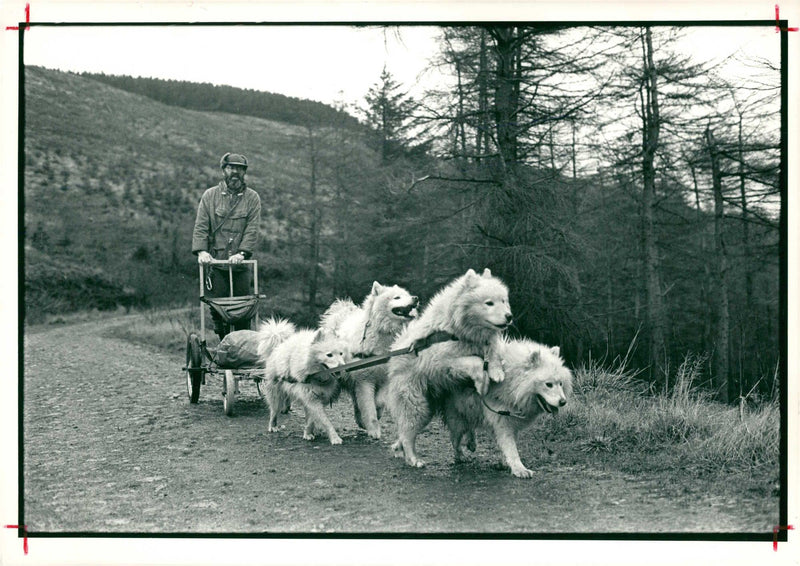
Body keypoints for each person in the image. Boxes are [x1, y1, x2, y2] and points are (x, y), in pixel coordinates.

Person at [192, 152, 261, 338]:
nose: (235, 172)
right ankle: (224, 345)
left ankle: (242, 350)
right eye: (231, 168)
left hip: (240, 264)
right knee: (218, 307)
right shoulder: (210, 196)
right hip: (215, 262)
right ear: (223, 170)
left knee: (243, 309)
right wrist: (202, 252)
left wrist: (242, 253)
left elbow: (252, 229)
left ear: (244, 172)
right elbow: (201, 226)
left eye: (240, 169)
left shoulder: (252, 198)